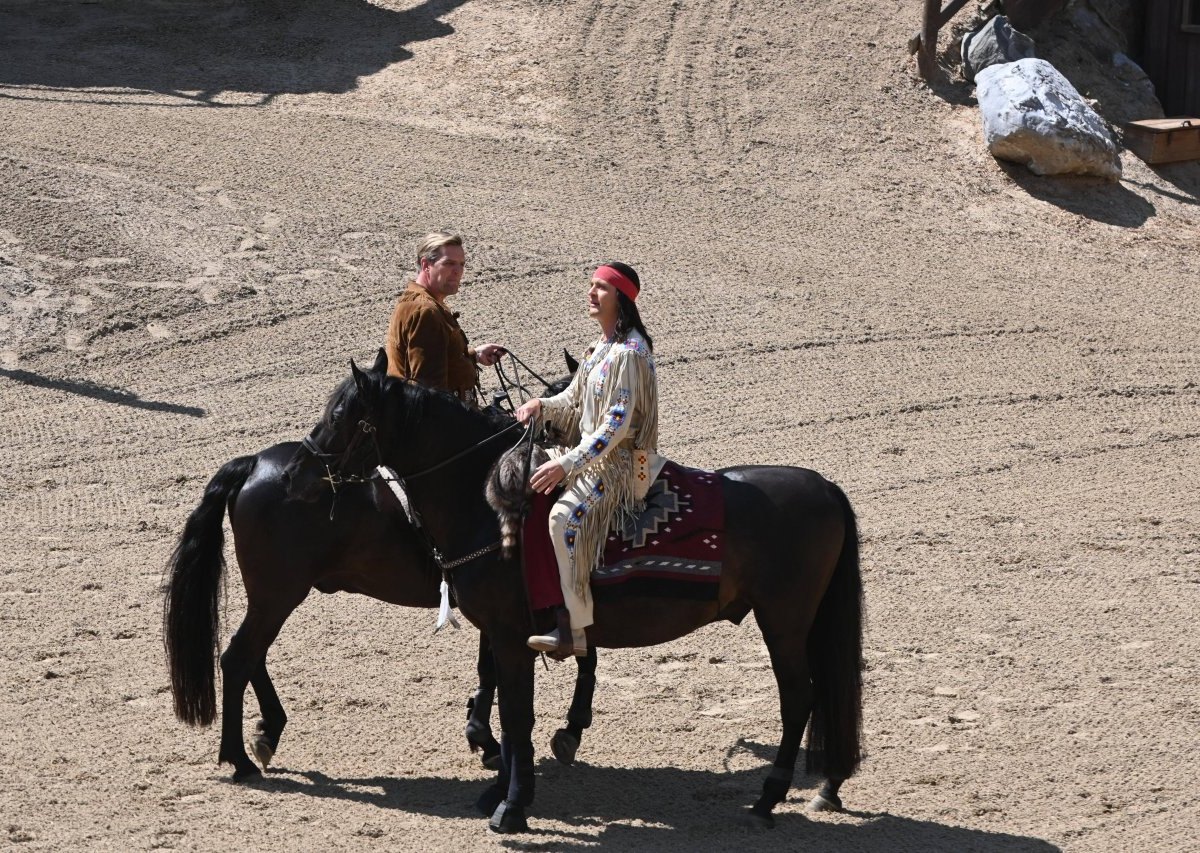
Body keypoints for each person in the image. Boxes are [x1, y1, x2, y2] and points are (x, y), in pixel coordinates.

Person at [515, 262, 663, 656]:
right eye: (591, 286)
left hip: (618, 466)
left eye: (601, 288)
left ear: (622, 300)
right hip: (590, 456)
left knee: (564, 518)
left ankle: (574, 628)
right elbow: (573, 399)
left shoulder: (631, 353)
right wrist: (540, 405)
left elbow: (615, 427)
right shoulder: (600, 348)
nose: (591, 294)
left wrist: (566, 464)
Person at [385, 232, 505, 405]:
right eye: (449, 263)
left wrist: (475, 356)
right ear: (426, 265)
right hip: (446, 425)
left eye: (461, 264)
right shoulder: (426, 311)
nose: (458, 271)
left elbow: (437, 358)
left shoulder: (421, 302)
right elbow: (428, 391)